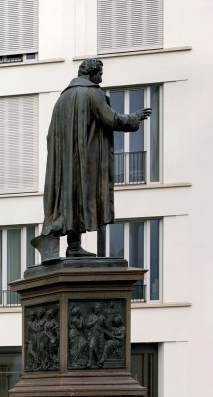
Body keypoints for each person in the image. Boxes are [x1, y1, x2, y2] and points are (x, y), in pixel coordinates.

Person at [38, 58, 152, 258]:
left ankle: (73, 245)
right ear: (92, 74)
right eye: (100, 73)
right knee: (81, 197)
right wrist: (134, 118)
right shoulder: (93, 93)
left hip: (64, 162)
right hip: (84, 159)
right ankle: (72, 245)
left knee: (69, 200)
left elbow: (51, 135)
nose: (102, 77)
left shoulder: (62, 98)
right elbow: (111, 119)